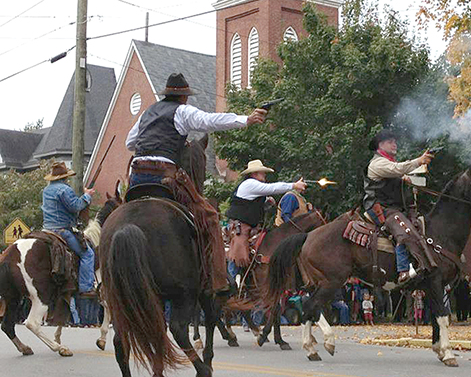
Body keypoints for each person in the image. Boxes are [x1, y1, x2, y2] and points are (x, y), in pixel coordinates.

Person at [125, 72, 267, 294]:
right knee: (210, 217)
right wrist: (245, 119)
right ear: (184, 97)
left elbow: (129, 142)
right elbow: (209, 121)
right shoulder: (182, 111)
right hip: (164, 177)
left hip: (137, 177)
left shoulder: (147, 113)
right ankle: (219, 280)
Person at [362, 129, 435, 283]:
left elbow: (398, 171)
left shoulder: (388, 163)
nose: (395, 144)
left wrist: (407, 179)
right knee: (405, 230)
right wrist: (419, 161)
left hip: (393, 209)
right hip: (380, 208)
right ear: (380, 146)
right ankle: (403, 271)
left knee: (416, 225)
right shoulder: (377, 163)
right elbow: (397, 169)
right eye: (390, 142)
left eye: (395, 141)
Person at [225, 160, 307, 285]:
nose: (264, 174)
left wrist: (266, 202)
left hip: (251, 228)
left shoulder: (253, 187)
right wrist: (293, 185)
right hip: (240, 228)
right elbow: (272, 188)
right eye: (262, 172)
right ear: (255, 173)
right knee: (238, 255)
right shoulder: (250, 184)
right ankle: (231, 284)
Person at [41, 162, 96, 298]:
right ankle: (86, 287)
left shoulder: (46, 190)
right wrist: (87, 196)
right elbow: (75, 207)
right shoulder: (65, 190)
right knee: (87, 254)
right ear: (64, 177)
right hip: (62, 230)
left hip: (46, 229)